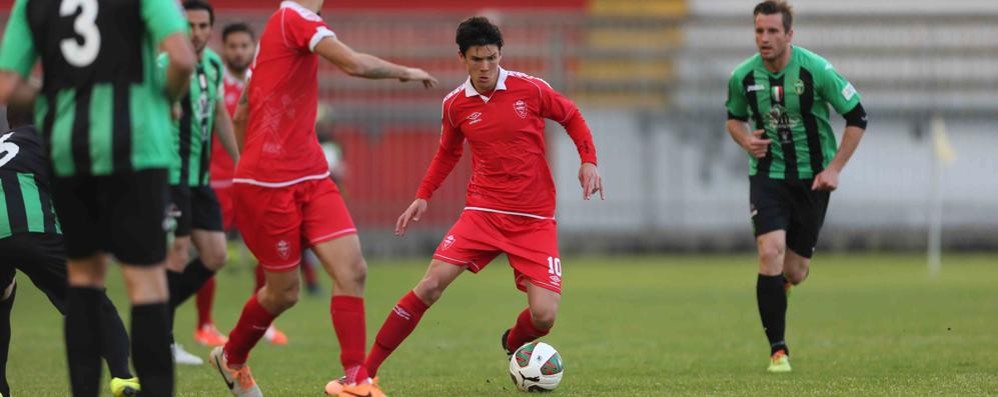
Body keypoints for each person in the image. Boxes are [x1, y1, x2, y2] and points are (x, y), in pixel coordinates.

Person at [329, 15, 604, 394]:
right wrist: (422, 195)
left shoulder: (530, 89)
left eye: (492, 58)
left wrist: (588, 160)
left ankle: (512, 343)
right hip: (483, 213)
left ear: (500, 54)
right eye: (478, 59)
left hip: (534, 218)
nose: (486, 67)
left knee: (543, 316)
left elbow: (571, 116)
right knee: (429, 286)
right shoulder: (456, 104)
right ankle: (362, 375)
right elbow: (447, 153)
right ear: (462, 58)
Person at [207, 1, 437, 396]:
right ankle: (231, 356)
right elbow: (353, 65)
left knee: (353, 270)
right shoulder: (293, 17)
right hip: (270, 185)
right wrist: (405, 71)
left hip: (311, 174)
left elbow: (244, 107)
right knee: (284, 292)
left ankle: (354, 378)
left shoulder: (280, 28)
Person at [0, 0, 195, 395]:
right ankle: (137, 380)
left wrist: (60, 99)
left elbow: (6, 83)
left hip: (71, 150)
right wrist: (166, 98)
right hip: (135, 149)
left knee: (84, 280)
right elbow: (182, 59)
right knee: (146, 282)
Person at [725, 0, 867, 373]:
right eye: (759, 31)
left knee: (796, 271)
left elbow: (857, 117)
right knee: (769, 251)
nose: (765, 38)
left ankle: (781, 288)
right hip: (768, 175)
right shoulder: (743, 76)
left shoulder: (816, 71)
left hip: (812, 180)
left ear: (790, 34)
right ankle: (778, 351)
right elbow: (734, 119)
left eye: (773, 31)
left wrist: (835, 169)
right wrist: (745, 141)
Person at [0, 103, 140, 397]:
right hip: (31, 229)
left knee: (3, 295)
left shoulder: (6, 143)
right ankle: (123, 378)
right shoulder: (49, 137)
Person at [158, 0, 240, 366]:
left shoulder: (213, 65)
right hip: (171, 175)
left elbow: (220, 112)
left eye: (203, 26)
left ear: (211, 28)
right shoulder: (164, 63)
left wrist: (242, 162)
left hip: (200, 178)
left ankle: (153, 312)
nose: (196, 32)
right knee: (176, 253)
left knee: (215, 255)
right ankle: (163, 339)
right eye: (189, 25)